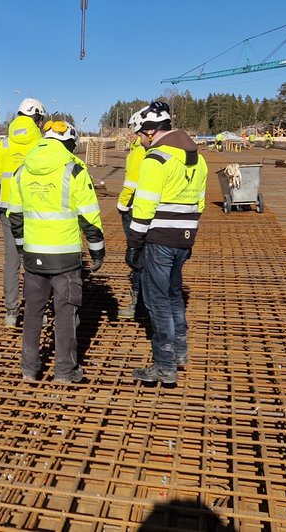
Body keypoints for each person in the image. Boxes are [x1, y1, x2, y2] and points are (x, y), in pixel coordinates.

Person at [7, 120, 104, 384]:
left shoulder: (23, 169)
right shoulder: (74, 169)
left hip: (33, 255)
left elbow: (14, 216)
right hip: (65, 258)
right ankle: (65, 371)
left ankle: (29, 368)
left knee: (33, 312)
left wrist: (21, 247)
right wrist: (97, 251)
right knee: (65, 313)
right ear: (69, 142)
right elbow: (89, 216)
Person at [126, 101, 208, 386]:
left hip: (159, 239)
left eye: (140, 133)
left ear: (151, 130)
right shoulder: (197, 158)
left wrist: (134, 243)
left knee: (157, 301)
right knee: (174, 294)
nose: (139, 139)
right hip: (184, 237)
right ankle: (180, 353)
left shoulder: (156, 159)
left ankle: (164, 366)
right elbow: (199, 202)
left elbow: (144, 207)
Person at [0, 98, 46, 327]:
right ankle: (37, 311)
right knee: (36, 260)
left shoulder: (5, 143)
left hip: (8, 210)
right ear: (37, 119)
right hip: (34, 212)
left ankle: (11, 312)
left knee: (12, 262)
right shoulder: (41, 143)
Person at [114, 110, 147, 320]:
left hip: (135, 208)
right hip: (150, 209)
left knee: (135, 256)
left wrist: (122, 205)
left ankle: (138, 305)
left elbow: (131, 184)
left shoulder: (138, 153)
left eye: (131, 130)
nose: (128, 134)